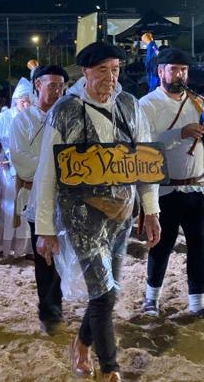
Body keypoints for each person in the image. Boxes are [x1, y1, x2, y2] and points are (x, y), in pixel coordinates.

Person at [35, 42, 162, 381]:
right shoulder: (65, 110)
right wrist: (44, 229)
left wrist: (150, 211)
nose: (111, 77)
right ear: (86, 72)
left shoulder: (130, 106)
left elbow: (145, 163)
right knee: (103, 292)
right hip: (82, 215)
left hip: (121, 213)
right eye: (103, 70)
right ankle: (110, 367)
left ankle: (81, 341)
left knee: (111, 289)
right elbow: (47, 172)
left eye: (116, 69)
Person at [138, 47, 204, 320]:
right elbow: (142, 145)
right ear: (160, 72)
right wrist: (178, 133)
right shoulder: (146, 104)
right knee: (160, 247)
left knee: (199, 247)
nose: (180, 74)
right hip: (164, 189)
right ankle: (151, 300)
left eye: (183, 70)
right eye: (174, 69)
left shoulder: (199, 102)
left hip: (198, 188)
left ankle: (197, 303)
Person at [9, 65, 66, 334]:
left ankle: (60, 305)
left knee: (65, 254)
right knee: (44, 255)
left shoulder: (68, 117)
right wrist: (57, 167)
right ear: (37, 86)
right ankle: (48, 310)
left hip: (66, 198)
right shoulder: (22, 120)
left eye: (61, 86)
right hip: (35, 196)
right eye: (51, 85)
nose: (57, 91)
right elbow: (21, 162)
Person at [0, 79, 33, 257]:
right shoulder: (3, 118)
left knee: (27, 208)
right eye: (22, 101)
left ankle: (27, 248)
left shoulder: (35, 117)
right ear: (15, 101)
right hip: (9, 171)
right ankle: (4, 246)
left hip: (30, 170)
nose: (26, 105)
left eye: (28, 101)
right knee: (9, 208)